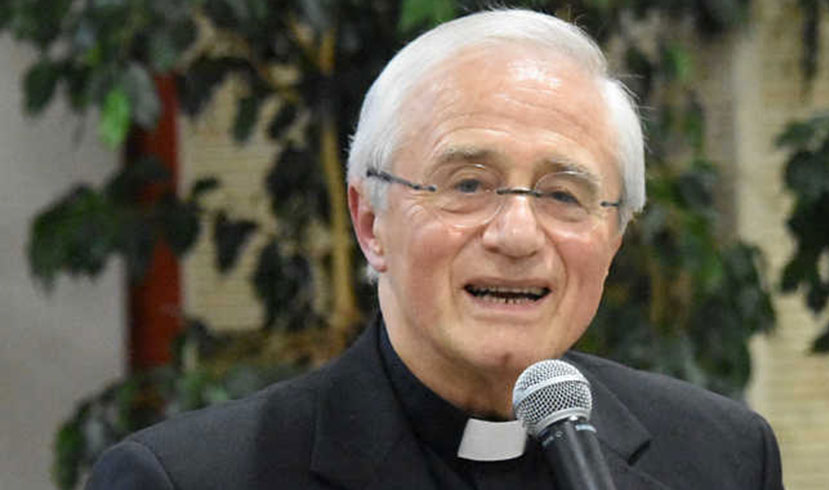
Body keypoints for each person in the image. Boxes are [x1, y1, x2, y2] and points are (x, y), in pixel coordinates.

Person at [86, 9, 784, 490]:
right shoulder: (187, 479)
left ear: (614, 237)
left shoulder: (721, 458)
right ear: (370, 221)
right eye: (469, 184)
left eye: (564, 195)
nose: (516, 236)